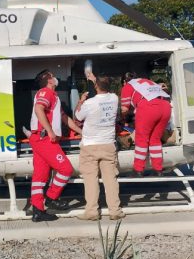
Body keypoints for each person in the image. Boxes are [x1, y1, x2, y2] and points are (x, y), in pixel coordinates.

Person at [28, 69, 82, 222]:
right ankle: (52, 197)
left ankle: (38, 210)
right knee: (65, 169)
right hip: (45, 139)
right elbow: (39, 109)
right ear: (48, 80)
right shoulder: (46, 92)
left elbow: (65, 119)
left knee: (40, 177)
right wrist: (50, 131)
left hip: (39, 138)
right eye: (52, 76)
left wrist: (81, 132)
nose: (55, 78)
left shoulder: (53, 97)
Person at [74, 74, 125, 221]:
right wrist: (95, 79)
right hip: (108, 144)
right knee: (110, 179)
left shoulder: (89, 103)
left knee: (91, 179)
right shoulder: (115, 98)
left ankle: (91, 212)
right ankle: (115, 210)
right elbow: (103, 85)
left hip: (90, 145)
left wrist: (81, 101)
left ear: (96, 86)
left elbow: (78, 116)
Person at [120, 72, 172, 176]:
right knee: (155, 139)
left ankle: (138, 170)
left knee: (141, 139)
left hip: (148, 107)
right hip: (166, 107)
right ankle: (158, 169)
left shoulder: (128, 86)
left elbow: (124, 109)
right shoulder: (148, 81)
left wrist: (120, 116)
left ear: (124, 81)